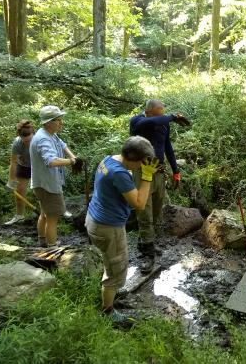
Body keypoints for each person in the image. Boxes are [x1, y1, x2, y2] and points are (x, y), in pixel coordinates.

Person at [85, 136, 158, 323]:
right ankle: (108, 312)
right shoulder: (120, 174)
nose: (142, 167)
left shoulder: (108, 160)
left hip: (95, 219)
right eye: (142, 163)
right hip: (108, 227)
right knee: (116, 270)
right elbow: (140, 204)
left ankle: (111, 290)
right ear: (134, 159)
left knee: (109, 261)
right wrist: (147, 177)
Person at [129, 99, 189, 272]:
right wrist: (171, 117)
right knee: (144, 212)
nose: (162, 118)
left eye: (164, 114)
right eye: (159, 114)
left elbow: (167, 145)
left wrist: (175, 170)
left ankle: (145, 243)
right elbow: (152, 121)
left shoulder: (163, 122)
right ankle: (147, 255)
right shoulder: (138, 122)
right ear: (149, 112)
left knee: (156, 211)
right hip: (141, 171)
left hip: (158, 172)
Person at [30, 105, 78, 247]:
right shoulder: (43, 139)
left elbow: (63, 145)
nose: (61, 123)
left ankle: (42, 241)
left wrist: (74, 157)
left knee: (44, 214)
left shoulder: (50, 134)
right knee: (52, 218)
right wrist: (71, 162)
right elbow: (51, 161)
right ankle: (52, 248)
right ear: (48, 122)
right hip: (47, 185)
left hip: (42, 183)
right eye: (58, 120)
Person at [4, 120, 35, 225]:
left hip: (39, 167)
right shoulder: (17, 142)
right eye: (25, 141)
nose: (27, 143)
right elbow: (13, 162)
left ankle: (48, 215)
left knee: (43, 192)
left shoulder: (40, 140)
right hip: (24, 166)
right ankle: (19, 216)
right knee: (19, 192)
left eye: (29, 140)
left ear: (33, 134)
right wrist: (11, 182)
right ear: (20, 136)